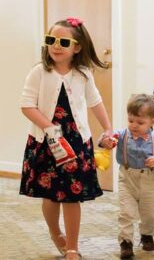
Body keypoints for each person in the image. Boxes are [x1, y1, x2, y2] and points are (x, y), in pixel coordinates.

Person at [19, 17, 114, 260]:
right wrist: (50, 128)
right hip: (45, 141)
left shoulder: (83, 74)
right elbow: (27, 105)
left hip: (76, 141)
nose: (56, 46)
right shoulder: (39, 72)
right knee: (51, 195)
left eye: (63, 41)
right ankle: (54, 232)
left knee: (72, 195)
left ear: (77, 47)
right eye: (51, 40)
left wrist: (107, 127)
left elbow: (95, 101)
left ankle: (72, 246)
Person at [113, 94, 154, 259]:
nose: (134, 126)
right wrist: (106, 141)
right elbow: (107, 139)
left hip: (147, 180)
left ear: (152, 122)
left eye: (140, 122)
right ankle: (126, 242)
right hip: (127, 177)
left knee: (148, 213)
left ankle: (147, 235)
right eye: (131, 121)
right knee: (126, 212)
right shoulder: (123, 135)